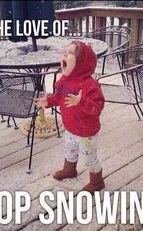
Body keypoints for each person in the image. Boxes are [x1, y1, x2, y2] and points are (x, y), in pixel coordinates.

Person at [34, 41, 105, 194]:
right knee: (70, 150)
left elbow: (97, 107)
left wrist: (81, 101)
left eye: (71, 53)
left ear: (81, 63)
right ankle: (69, 170)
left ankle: (97, 182)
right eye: (65, 52)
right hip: (70, 126)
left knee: (89, 157)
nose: (65, 54)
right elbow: (59, 97)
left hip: (86, 132)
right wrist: (48, 101)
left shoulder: (89, 85)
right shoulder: (64, 81)